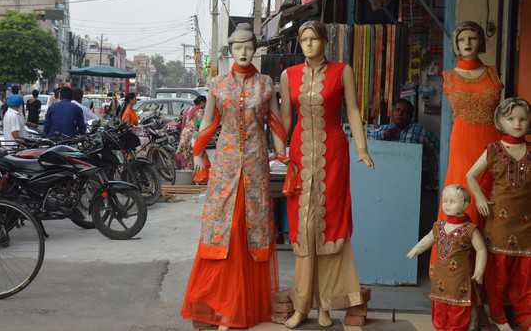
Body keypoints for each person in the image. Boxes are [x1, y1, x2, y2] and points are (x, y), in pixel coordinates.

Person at [180, 23, 288, 330]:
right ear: (230, 51)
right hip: (226, 166)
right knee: (221, 228)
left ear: (255, 49)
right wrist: (199, 152)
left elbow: (276, 124)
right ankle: (216, 305)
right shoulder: (217, 85)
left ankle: (240, 308)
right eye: (237, 47)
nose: (243, 52)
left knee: (248, 229)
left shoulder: (266, 84)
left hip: (255, 166)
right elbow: (208, 122)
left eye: (248, 47)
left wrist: (283, 153)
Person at [280, 21, 374, 329]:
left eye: (314, 38)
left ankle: (326, 305)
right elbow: (284, 119)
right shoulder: (288, 75)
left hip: (332, 154)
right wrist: (280, 152)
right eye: (303, 39)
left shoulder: (341, 70)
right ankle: (302, 303)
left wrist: (361, 149)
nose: (308, 44)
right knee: (304, 228)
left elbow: (353, 111)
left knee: (328, 226)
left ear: (324, 41)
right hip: (299, 156)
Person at [432, 21, 503, 269]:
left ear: (480, 41)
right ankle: (455, 272)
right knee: (462, 201)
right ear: (456, 44)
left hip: (492, 143)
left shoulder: (494, 73)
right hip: (462, 144)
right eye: (462, 39)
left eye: (473, 38)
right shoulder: (449, 77)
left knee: (493, 204)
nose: (468, 43)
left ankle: (488, 277)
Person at [466, 97, 531, 331]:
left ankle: (525, 315)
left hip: (526, 224)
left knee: (525, 274)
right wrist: (480, 198)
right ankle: (497, 315)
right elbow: (470, 176)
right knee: (498, 274)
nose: (517, 123)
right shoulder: (494, 149)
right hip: (499, 223)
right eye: (511, 118)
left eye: (523, 119)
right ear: (500, 122)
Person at [407, 185, 487, 331]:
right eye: (445, 201)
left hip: (460, 281)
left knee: (458, 312)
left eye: (452, 201)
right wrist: (416, 249)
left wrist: (479, 271)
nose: (447, 205)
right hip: (440, 281)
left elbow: (481, 249)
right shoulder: (439, 227)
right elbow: (428, 238)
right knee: (440, 311)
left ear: (465, 204)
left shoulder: (470, 229)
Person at [371, 98, 439, 189]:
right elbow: (366, 139)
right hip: (387, 177)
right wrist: (383, 135)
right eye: (397, 110)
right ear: (392, 112)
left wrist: (435, 177)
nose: (400, 114)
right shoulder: (385, 129)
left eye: (405, 112)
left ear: (410, 116)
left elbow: (439, 150)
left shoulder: (419, 130)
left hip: (414, 180)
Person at [175, 95, 207, 170]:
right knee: (194, 154)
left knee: (185, 153)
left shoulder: (189, 109)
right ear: (202, 102)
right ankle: (193, 175)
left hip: (185, 132)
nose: (205, 105)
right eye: (205, 103)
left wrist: (182, 133)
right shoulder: (200, 111)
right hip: (192, 134)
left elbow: (183, 122)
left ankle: (185, 171)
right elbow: (199, 124)